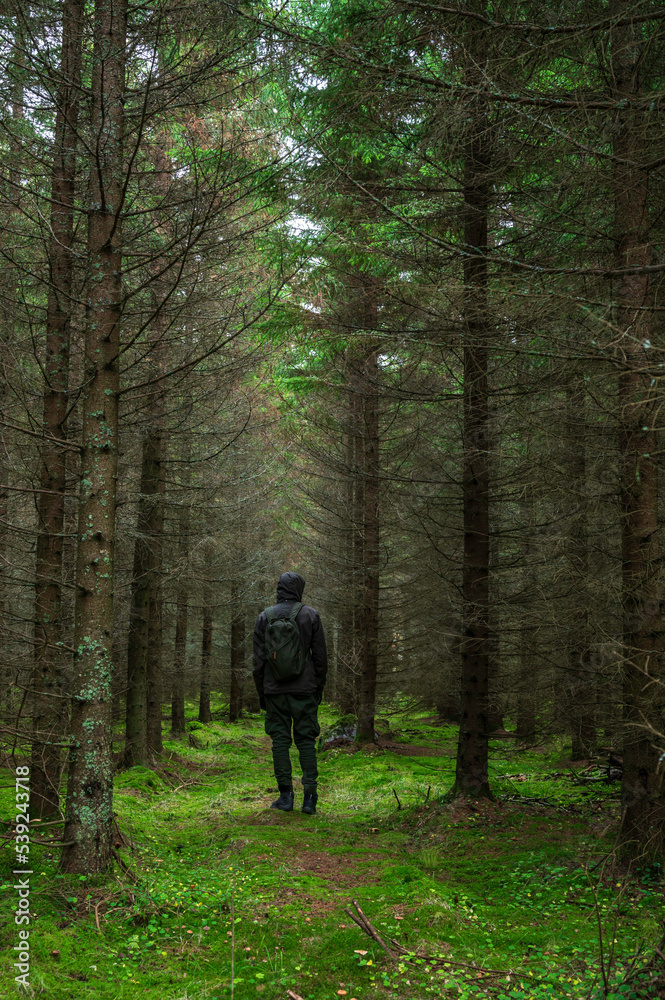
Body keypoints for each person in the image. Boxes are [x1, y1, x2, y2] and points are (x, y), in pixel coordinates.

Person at [252, 572, 327, 814]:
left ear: (280, 589)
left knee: (280, 742)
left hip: (275, 691)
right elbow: (321, 659)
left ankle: (285, 797)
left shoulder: (265, 617)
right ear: (298, 589)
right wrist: (318, 689)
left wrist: (263, 694)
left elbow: (258, 662)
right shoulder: (310, 615)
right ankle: (310, 799)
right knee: (306, 740)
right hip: (305, 690)